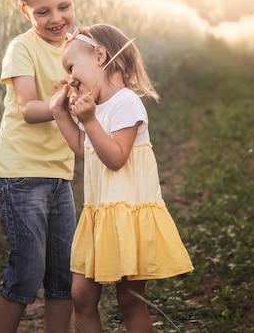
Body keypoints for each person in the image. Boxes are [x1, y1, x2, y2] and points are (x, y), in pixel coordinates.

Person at [50, 24, 194, 332]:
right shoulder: (97, 107)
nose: (71, 79)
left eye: (73, 67)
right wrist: (63, 114)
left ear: (100, 55)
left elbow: (115, 157)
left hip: (126, 216)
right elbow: (84, 149)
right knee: (81, 296)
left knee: (129, 301)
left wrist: (87, 119)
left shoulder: (127, 102)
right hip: (100, 215)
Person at [0, 0, 77, 333]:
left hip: (59, 175)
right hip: (20, 175)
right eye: (43, 11)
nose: (56, 18)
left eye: (64, 6)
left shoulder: (79, 48)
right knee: (26, 272)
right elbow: (28, 107)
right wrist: (64, 103)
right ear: (24, 10)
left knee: (64, 275)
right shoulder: (21, 49)